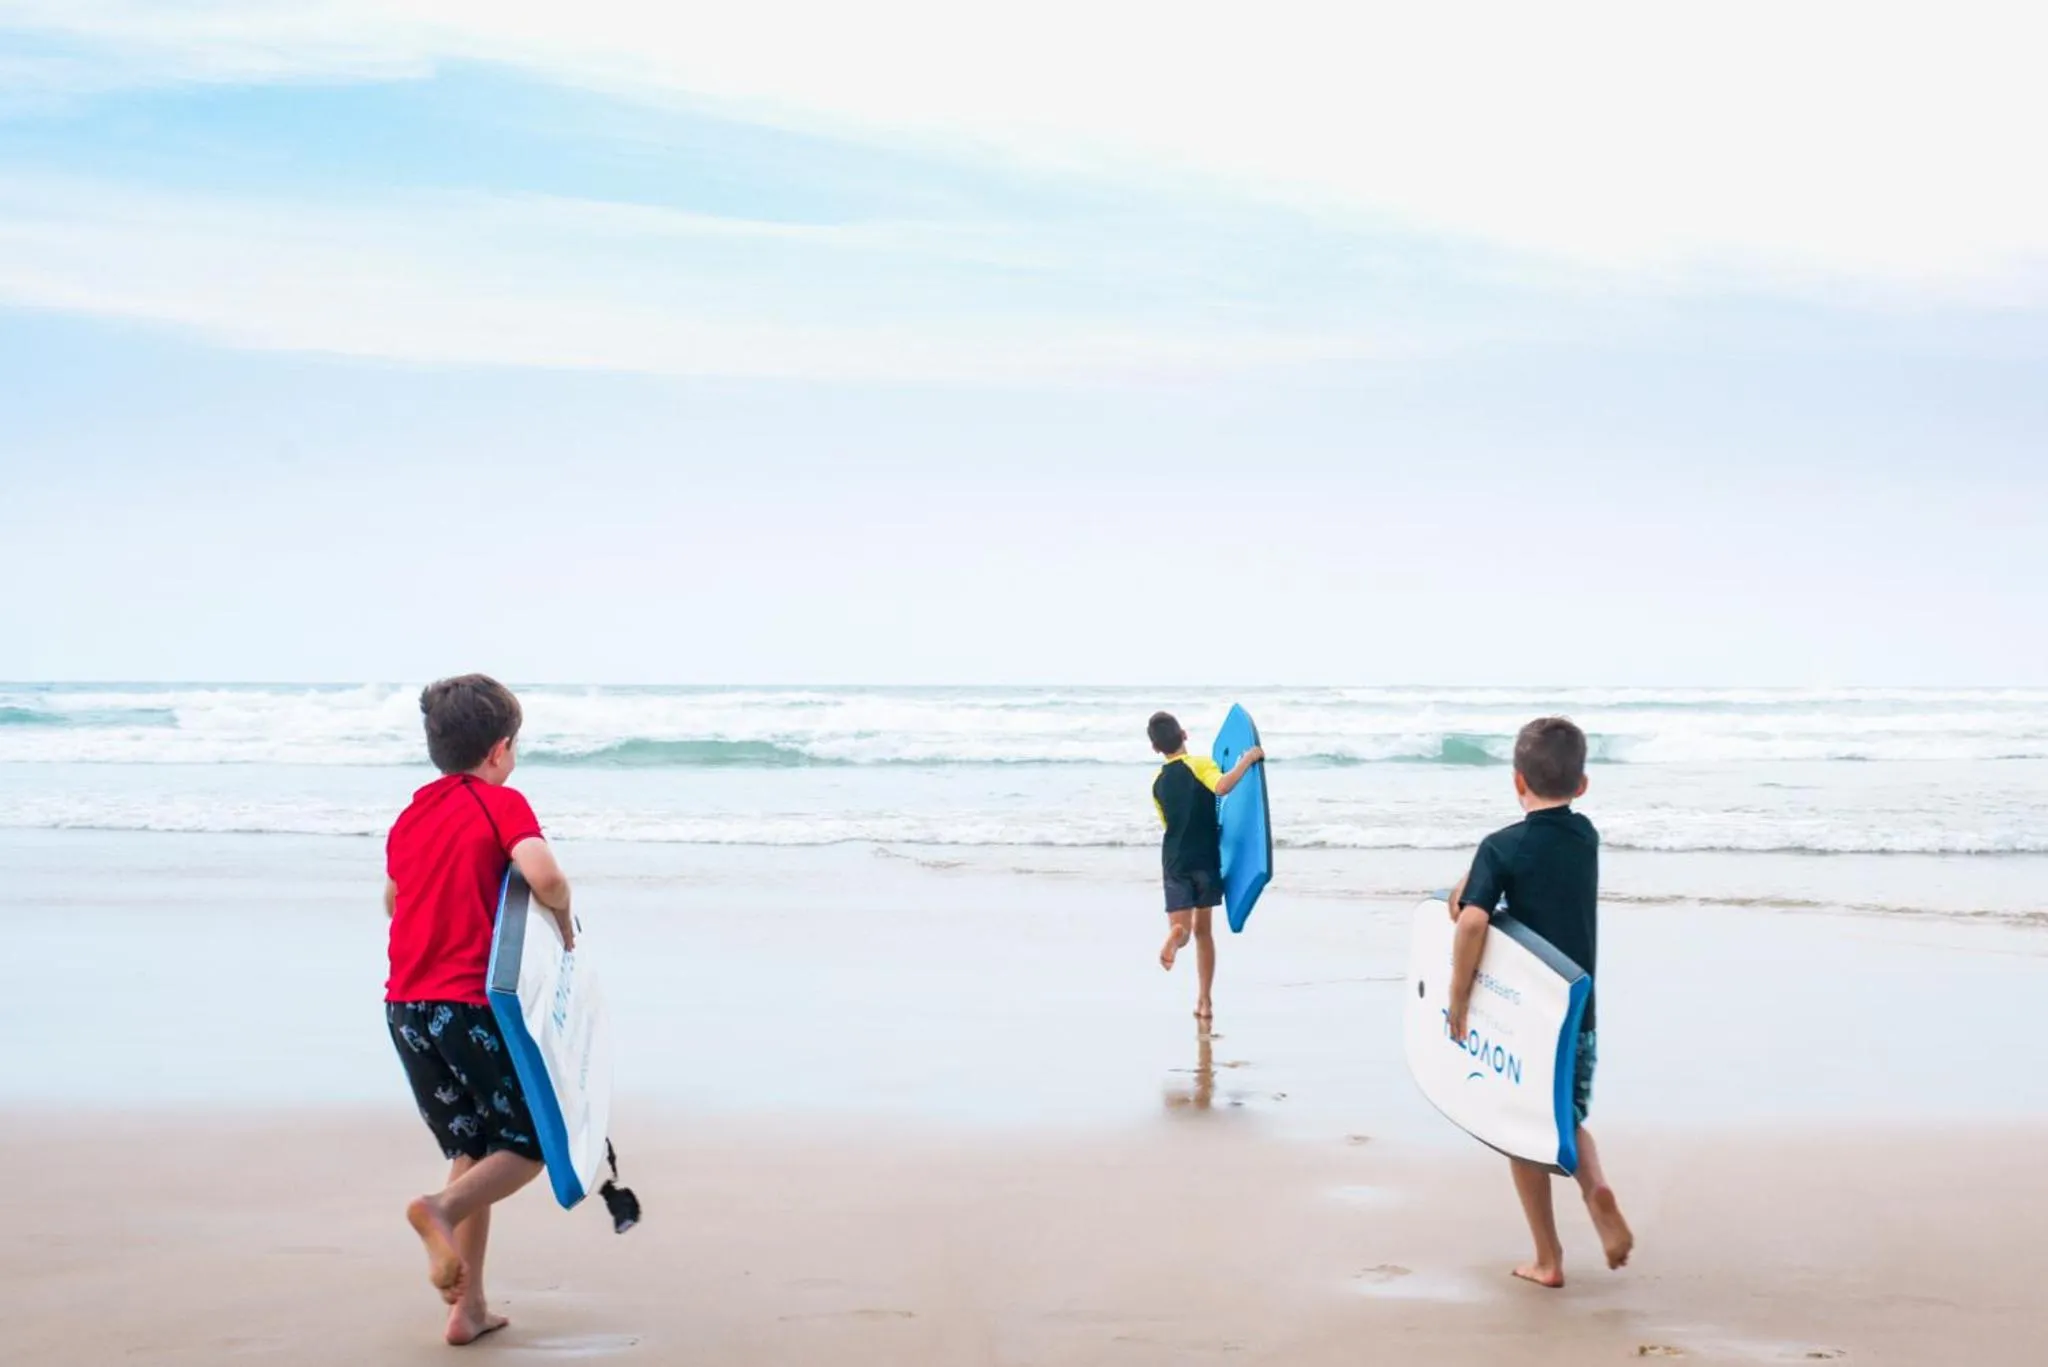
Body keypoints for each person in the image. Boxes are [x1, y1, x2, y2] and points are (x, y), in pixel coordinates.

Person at [383, 674, 576, 1345]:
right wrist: (567, 919)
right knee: (524, 1146)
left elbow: (392, 899)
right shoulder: (500, 803)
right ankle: (436, 1208)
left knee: (471, 1144)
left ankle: (468, 1307)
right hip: (468, 1006)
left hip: (407, 1008)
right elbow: (545, 874)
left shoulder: (410, 816)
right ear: (500, 750)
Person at [1446, 716, 1633, 1288]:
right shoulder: (1586, 837)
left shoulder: (1501, 847)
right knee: (1567, 1117)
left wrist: (1458, 996)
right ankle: (1594, 1184)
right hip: (1578, 1016)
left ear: (1515, 781)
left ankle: (1548, 1259)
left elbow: (1470, 917)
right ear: (1582, 786)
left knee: (1521, 1132)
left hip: (1522, 1020)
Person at [1147, 710, 1263, 1021]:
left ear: (1156, 749)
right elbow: (1222, 786)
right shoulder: (1199, 764)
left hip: (1174, 860)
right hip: (1205, 859)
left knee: (1183, 930)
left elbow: (1168, 824)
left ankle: (1175, 937)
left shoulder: (1157, 784)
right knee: (1205, 933)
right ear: (1184, 734)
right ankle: (1205, 1000)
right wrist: (1247, 760)